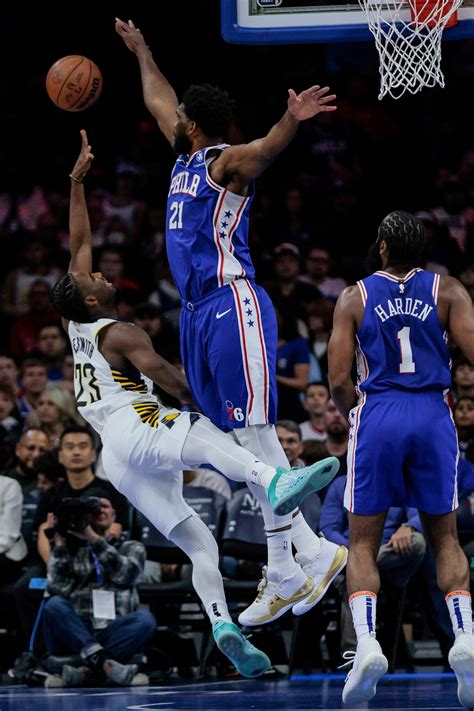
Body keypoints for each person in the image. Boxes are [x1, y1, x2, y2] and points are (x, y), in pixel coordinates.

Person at [49, 130, 339, 678]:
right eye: (96, 279)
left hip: (118, 462)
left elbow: (77, 245)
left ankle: (222, 623)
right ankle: (270, 477)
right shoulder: (119, 332)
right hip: (141, 429)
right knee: (212, 428)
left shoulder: (75, 324)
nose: (101, 273)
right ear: (92, 299)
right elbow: (172, 381)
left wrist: (77, 182)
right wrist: (209, 401)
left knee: (200, 546)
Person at [115, 17, 345, 627]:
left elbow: (265, 151)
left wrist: (292, 118)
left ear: (194, 123)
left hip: (231, 303)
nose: (171, 116)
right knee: (241, 446)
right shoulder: (183, 149)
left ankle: (292, 564)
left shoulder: (221, 162)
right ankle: (306, 557)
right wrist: (143, 49)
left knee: (258, 434)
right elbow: (157, 96)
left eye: (180, 115)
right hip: (195, 315)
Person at [328, 210, 474, 707]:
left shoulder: (355, 296)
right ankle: (466, 637)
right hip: (434, 410)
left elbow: (337, 379)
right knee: (446, 537)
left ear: (383, 248)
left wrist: (362, 415)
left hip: (379, 412)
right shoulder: (448, 290)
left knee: (363, 541)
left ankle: (367, 644)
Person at [42, 496, 155, 688]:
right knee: (54, 605)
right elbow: (55, 588)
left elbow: (126, 576)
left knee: (145, 619)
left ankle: (85, 669)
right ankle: (103, 664)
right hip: (77, 629)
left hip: (114, 628)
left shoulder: (132, 547)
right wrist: (59, 546)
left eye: (105, 506)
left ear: (114, 515)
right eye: (93, 508)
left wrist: (93, 539)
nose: (100, 511)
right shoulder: (71, 550)